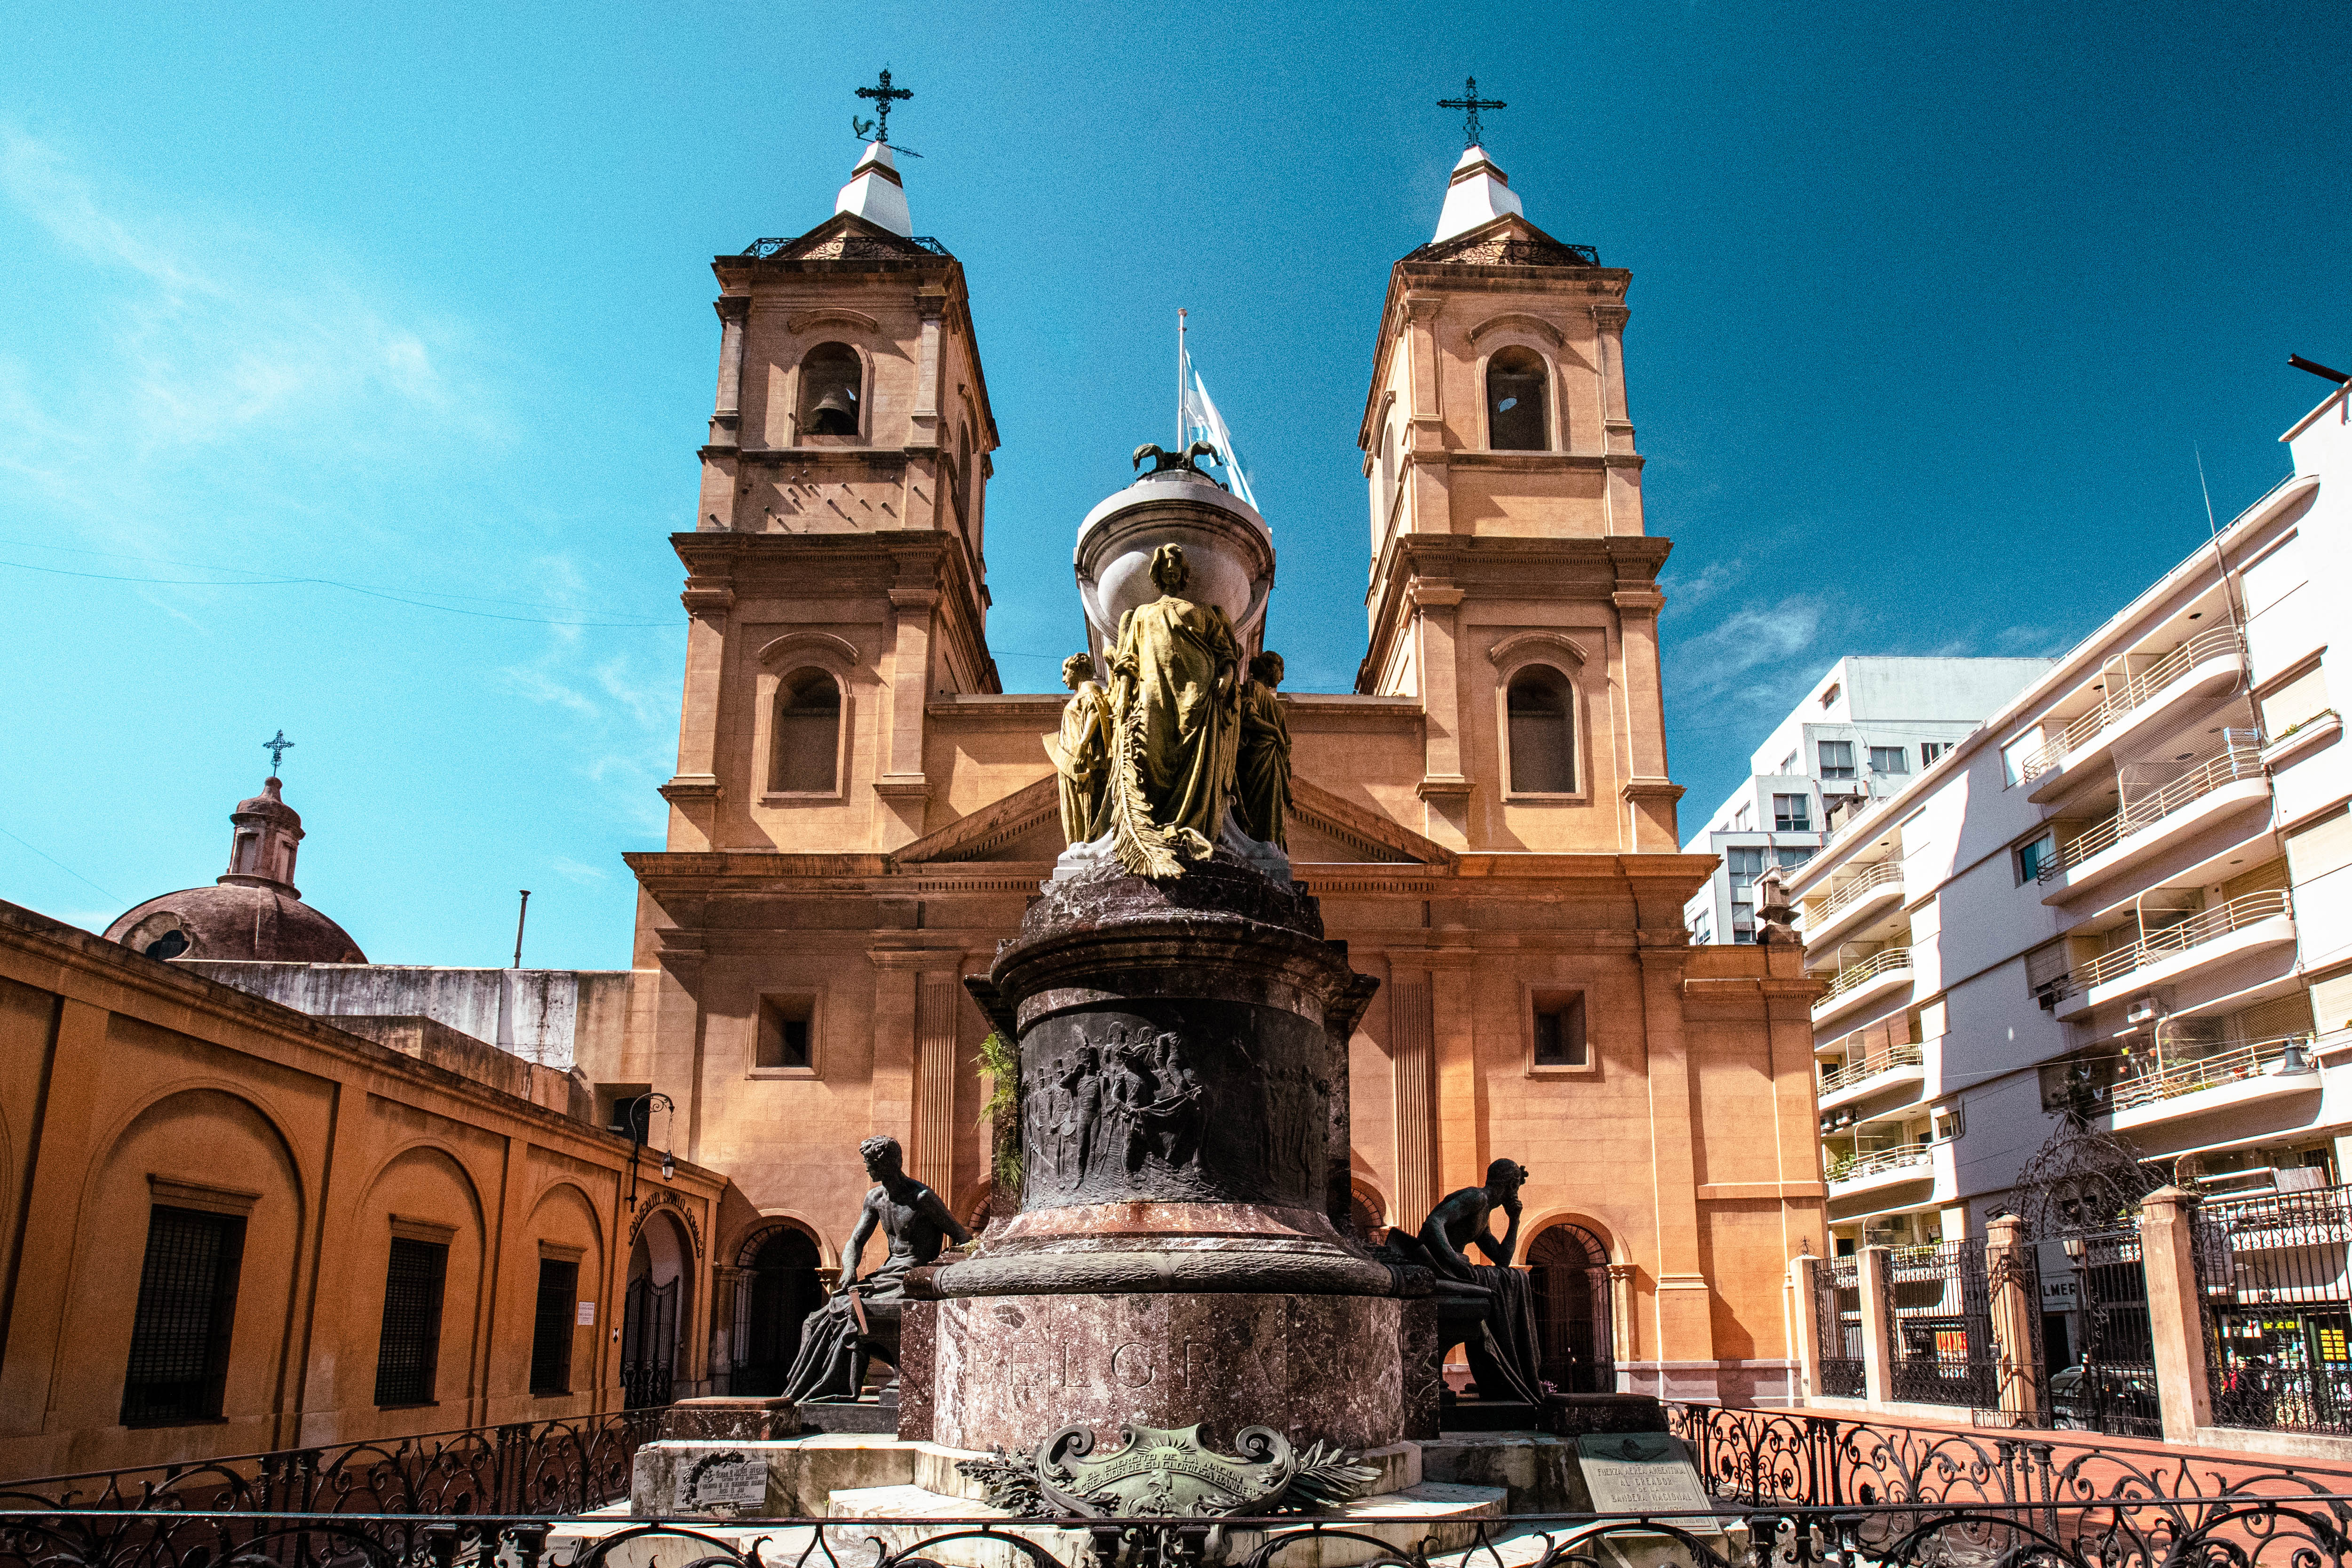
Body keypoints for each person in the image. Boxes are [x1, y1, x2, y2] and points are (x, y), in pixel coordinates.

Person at [781, 1135, 971, 1403]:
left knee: (853, 1312)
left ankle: (840, 1388)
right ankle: (808, 1390)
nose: (867, 1168)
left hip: (913, 1276)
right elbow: (855, 1241)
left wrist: (941, 1274)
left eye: (870, 1162)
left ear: (887, 1164)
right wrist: (849, 1269)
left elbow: (962, 1237)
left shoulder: (922, 1198)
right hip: (886, 1275)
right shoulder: (875, 1199)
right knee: (817, 1319)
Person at [1104, 543, 1243, 879]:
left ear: (1184, 573)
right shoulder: (1140, 614)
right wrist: (1122, 694)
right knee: (1148, 747)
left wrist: (1227, 676)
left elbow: (1224, 652)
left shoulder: (1204, 612)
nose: (1170, 569)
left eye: (1176, 564)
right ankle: (1154, 824)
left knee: (1195, 757)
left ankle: (1188, 824)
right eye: (1165, 564)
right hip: (1153, 691)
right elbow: (1128, 659)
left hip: (1198, 693)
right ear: (1156, 572)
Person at [1386, 1159, 1547, 1404]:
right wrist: (1454, 1259)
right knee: (1506, 1282)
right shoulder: (1476, 1198)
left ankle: (1506, 1365)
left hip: (1452, 1269)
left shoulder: (1484, 1216)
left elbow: (1502, 1259)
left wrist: (1515, 1220)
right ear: (1511, 1185)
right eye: (1516, 1187)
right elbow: (1434, 1223)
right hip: (1436, 1266)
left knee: (1511, 1277)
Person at [1046, 652, 1113, 843]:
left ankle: (1087, 842)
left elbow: (1095, 713)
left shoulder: (1089, 688)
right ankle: (1080, 842)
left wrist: (1083, 746)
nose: (1063, 679)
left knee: (1084, 807)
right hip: (1073, 762)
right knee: (1074, 807)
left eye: (1065, 672)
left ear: (1076, 670)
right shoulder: (1081, 693)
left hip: (1081, 762)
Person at [1234, 650, 1292, 848]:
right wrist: (1275, 732)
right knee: (1255, 808)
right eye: (1281, 670)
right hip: (1256, 761)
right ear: (1270, 668)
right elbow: (1249, 718)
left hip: (1273, 767)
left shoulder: (1276, 706)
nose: (1282, 677)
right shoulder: (1252, 688)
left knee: (1273, 811)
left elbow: (1287, 744)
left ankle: (1272, 845)